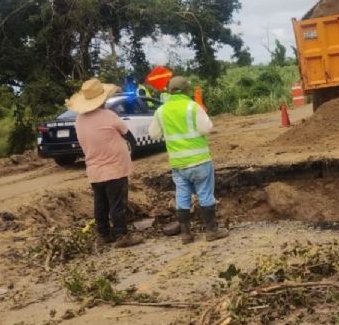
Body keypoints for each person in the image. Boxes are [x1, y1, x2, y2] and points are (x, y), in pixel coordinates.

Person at [148, 76, 228, 244]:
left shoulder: (161, 110)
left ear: (170, 91)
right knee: (205, 194)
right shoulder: (193, 107)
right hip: (200, 160)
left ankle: (186, 234)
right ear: (186, 90)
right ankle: (211, 231)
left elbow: (153, 134)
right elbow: (206, 128)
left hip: (178, 164)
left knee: (182, 197)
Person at [67, 78, 143, 248]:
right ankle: (121, 235)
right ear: (102, 100)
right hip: (114, 168)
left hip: (94, 170)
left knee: (100, 203)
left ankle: (103, 235)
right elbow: (127, 134)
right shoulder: (108, 115)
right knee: (117, 203)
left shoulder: (79, 121)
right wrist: (132, 148)